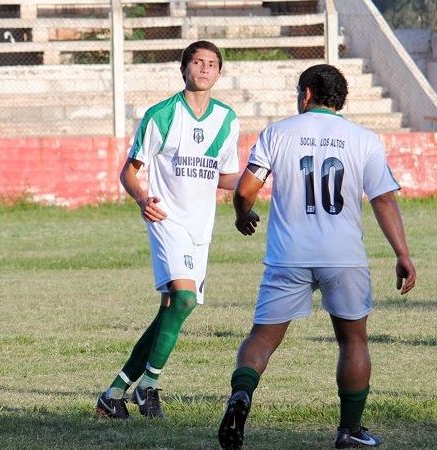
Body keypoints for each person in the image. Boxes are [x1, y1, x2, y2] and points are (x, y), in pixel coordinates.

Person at [217, 64, 417, 450]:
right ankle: (349, 431)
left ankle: (242, 394)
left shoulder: (278, 133)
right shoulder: (363, 139)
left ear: (307, 93)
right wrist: (403, 253)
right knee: (353, 342)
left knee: (261, 338)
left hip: (288, 255)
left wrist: (244, 215)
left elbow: (245, 190)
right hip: (343, 256)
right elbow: (384, 199)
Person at [95, 40, 242, 419]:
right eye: (197, 61)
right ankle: (149, 386)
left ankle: (114, 393)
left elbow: (226, 176)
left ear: (219, 73)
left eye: (212, 63)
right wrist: (143, 199)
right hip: (166, 219)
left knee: (171, 310)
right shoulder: (162, 115)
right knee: (185, 300)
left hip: (200, 227)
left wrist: (258, 182)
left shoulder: (227, 120)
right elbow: (129, 170)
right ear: (184, 68)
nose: (205, 68)